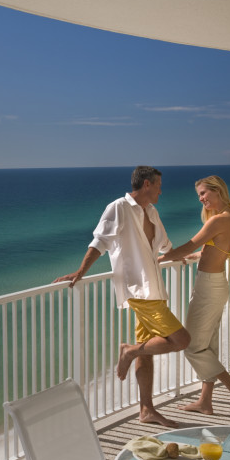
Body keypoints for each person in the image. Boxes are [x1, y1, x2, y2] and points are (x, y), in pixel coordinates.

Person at [54, 166, 190, 428]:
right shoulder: (118, 207)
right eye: (159, 185)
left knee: (147, 350)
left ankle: (146, 410)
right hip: (139, 290)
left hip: (155, 289)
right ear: (147, 184)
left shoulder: (151, 211)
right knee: (181, 339)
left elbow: (164, 247)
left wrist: (182, 256)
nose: (162, 190)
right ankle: (127, 351)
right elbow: (100, 242)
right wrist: (80, 271)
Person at [158, 175, 230, 417]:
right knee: (208, 344)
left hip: (209, 287)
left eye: (204, 194)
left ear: (218, 190)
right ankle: (205, 401)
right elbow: (217, 249)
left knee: (192, 346)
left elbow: (189, 245)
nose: (201, 199)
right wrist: (197, 256)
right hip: (216, 283)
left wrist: (158, 259)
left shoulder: (218, 220)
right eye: (199, 195)